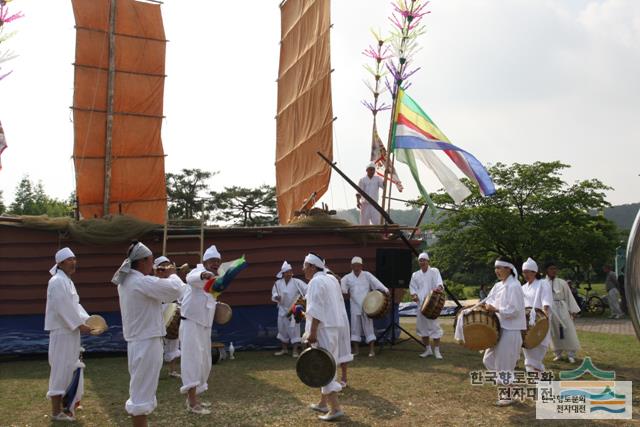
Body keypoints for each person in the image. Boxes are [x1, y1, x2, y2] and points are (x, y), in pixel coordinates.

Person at [112, 241, 184, 427]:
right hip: (146, 341)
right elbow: (176, 290)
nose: (153, 266)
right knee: (142, 392)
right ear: (143, 261)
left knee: (141, 388)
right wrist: (172, 274)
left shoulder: (129, 280)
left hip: (140, 341)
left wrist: (161, 277)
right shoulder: (139, 281)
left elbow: (158, 292)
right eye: (151, 261)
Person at [45, 247, 92, 422]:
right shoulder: (57, 281)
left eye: (74, 259)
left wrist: (89, 322)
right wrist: (80, 325)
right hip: (62, 331)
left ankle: (69, 404)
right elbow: (62, 307)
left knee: (71, 366)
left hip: (71, 331)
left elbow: (75, 306)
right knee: (60, 369)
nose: (73, 262)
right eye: (69, 260)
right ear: (60, 263)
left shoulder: (67, 281)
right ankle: (56, 412)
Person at [303, 253, 347, 422]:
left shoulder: (316, 281)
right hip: (333, 328)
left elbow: (316, 308)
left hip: (322, 329)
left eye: (305, 266)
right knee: (329, 364)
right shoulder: (331, 279)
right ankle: (323, 403)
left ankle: (335, 408)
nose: (303, 269)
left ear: (312, 267)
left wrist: (313, 331)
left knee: (324, 368)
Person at [181, 245, 222, 415]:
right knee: (192, 361)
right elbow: (190, 278)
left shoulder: (216, 281)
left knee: (205, 363)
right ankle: (192, 403)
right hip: (191, 323)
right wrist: (203, 274)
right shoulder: (197, 274)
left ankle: (194, 399)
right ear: (204, 262)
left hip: (204, 326)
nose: (215, 264)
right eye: (212, 261)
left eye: (218, 262)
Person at [482, 257, 526, 406]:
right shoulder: (498, 286)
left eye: (500, 268)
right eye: (496, 268)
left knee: (505, 365)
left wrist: (497, 309)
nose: (497, 271)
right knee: (488, 360)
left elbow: (515, 310)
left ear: (509, 269)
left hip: (511, 330)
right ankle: (511, 387)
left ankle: (508, 396)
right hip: (498, 329)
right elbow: (489, 300)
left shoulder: (514, 286)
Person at [340, 256, 389, 357]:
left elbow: (376, 283)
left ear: (361, 266)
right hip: (354, 307)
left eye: (358, 265)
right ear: (351, 266)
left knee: (368, 328)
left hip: (368, 306)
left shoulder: (367, 275)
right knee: (354, 328)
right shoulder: (347, 278)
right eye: (354, 266)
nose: (356, 267)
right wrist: (342, 285)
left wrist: (385, 289)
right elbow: (343, 289)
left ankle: (371, 350)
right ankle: (356, 350)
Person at [154, 256, 186, 378]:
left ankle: (172, 370)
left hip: (173, 311)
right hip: (158, 314)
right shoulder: (155, 282)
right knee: (157, 343)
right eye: (163, 266)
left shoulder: (174, 282)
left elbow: (183, 293)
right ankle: (154, 371)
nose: (166, 268)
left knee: (173, 340)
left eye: (167, 265)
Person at [409, 252, 445, 359]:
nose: (422, 262)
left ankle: (437, 351)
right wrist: (414, 295)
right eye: (420, 260)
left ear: (428, 261)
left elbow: (439, 283)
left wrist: (439, 287)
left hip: (432, 304)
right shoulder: (415, 274)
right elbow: (412, 287)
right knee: (422, 328)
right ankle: (428, 350)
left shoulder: (434, 271)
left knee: (434, 327)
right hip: (420, 305)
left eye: (424, 260)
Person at [544, 261, 580, 363]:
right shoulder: (543, 283)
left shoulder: (562, 282)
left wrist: (572, 310)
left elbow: (569, 296)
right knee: (554, 331)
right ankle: (557, 353)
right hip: (550, 309)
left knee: (567, 329)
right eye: (551, 269)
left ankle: (571, 354)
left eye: (555, 269)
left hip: (562, 307)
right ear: (546, 270)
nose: (553, 271)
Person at [520, 257, 553, 372]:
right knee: (528, 349)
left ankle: (538, 374)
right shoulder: (523, 288)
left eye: (528, 272)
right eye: (524, 272)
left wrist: (545, 312)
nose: (526, 274)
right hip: (525, 323)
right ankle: (536, 375)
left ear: (535, 272)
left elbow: (546, 300)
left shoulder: (543, 284)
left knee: (537, 351)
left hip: (539, 321)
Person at [271, 261, 308, 357]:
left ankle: (295, 351)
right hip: (282, 310)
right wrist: (276, 297)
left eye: (290, 272)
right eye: (287, 272)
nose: (289, 274)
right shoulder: (278, 283)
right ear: (283, 273)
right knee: (282, 329)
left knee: (295, 330)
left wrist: (303, 299)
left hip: (294, 309)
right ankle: (284, 349)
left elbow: (307, 289)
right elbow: (274, 293)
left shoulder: (297, 282)